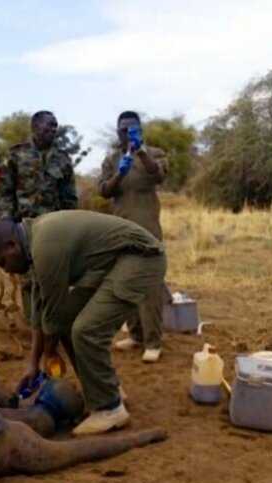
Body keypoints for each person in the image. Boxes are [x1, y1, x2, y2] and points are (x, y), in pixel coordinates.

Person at [0, 210, 167, 434]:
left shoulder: (44, 247)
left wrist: (49, 353)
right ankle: (108, 389)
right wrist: (33, 364)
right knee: (70, 324)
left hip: (141, 259)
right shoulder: (33, 244)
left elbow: (55, 313)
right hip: (114, 262)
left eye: (2, 262)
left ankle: (109, 408)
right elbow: (42, 310)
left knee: (86, 330)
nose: (6, 269)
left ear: (12, 245)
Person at [0, 110, 78, 329]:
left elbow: (70, 197)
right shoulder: (15, 155)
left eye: (55, 126)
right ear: (34, 127)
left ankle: (53, 325)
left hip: (54, 227)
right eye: (48, 126)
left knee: (54, 277)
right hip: (25, 227)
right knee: (28, 279)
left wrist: (72, 225)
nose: (53, 130)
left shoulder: (62, 159)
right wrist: (6, 225)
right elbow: (5, 193)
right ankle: (34, 326)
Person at [99, 111, 169, 363]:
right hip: (120, 230)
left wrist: (140, 152)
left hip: (148, 228)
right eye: (123, 130)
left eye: (132, 129)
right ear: (117, 132)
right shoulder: (111, 159)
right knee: (125, 284)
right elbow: (104, 191)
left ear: (140, 130)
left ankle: (153, 341)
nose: (127, 133)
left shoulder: (155, 153)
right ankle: (136, 335)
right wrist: (119, 173)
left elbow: (159, 175)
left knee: (150, 286)